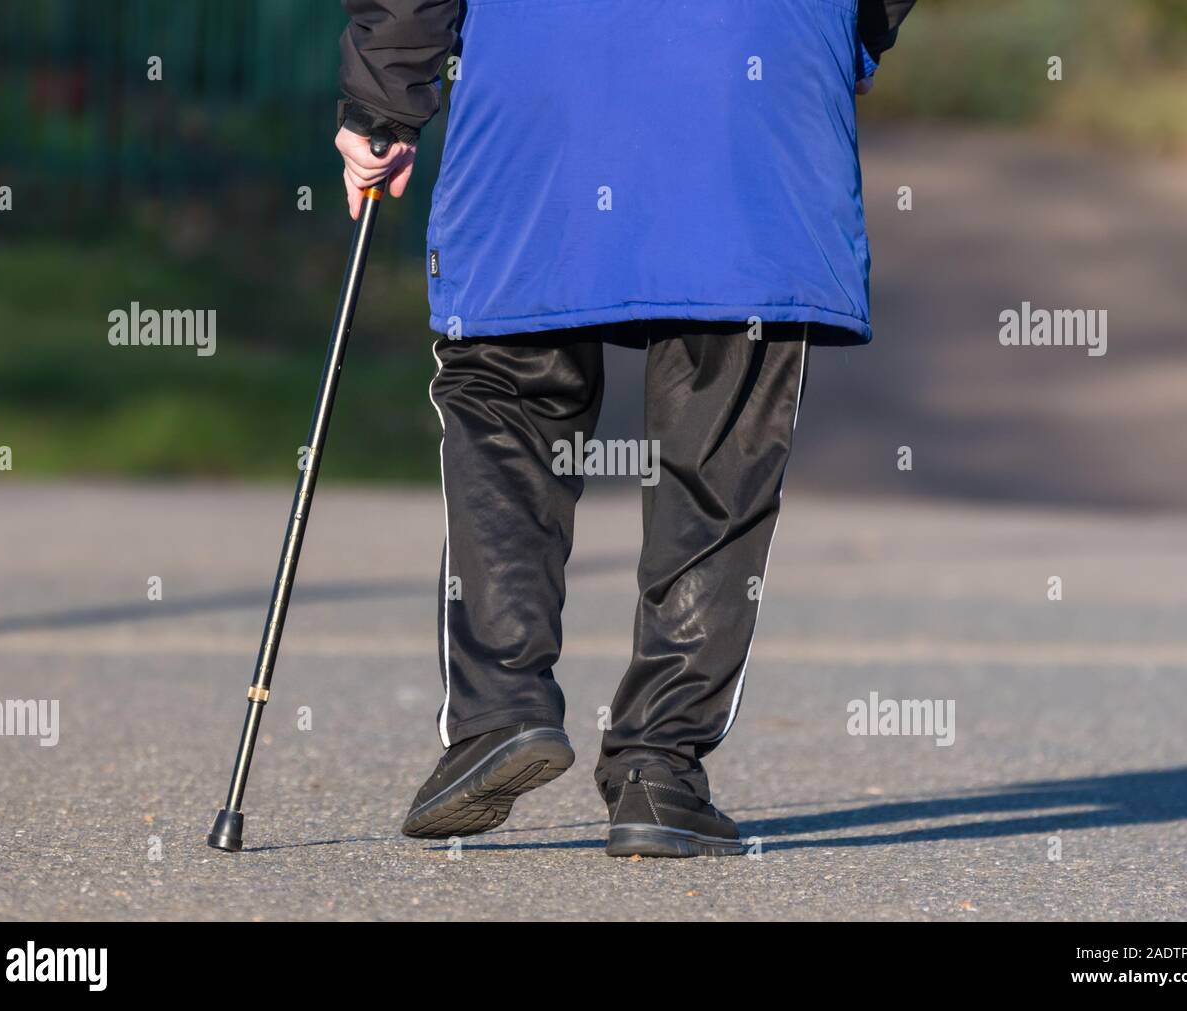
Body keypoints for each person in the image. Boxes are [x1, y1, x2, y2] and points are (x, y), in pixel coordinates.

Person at [334, 0, 919, 857]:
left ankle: (500, 708)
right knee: (724, 440)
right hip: (756, 64)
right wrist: (847, 30)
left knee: (507, 390)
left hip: (543, 70)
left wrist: (383, 100)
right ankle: (661, 764)